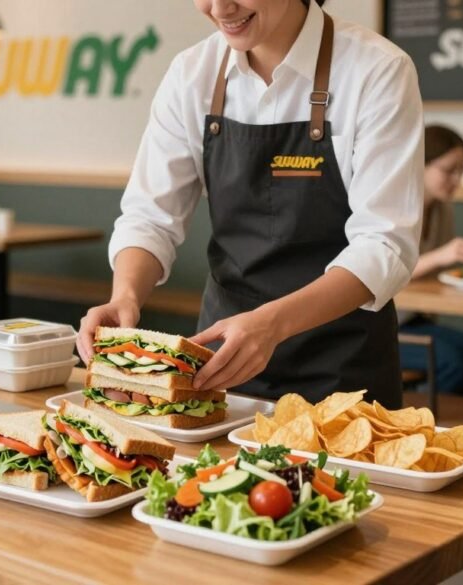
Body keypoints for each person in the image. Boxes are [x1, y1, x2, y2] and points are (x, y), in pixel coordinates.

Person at [77, 0, 423, 407]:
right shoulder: (192, 74)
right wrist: (126, 296)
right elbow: (149, 217)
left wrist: (272, 326)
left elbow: (384, 245)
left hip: (342, 375)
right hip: (220, 366)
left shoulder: (376, 70)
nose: (218, 7)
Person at [398, 125, 463, 395]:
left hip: (416, 319)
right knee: (456, 364)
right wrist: (442, 256)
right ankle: (431, 428)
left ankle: (460, 430)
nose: (457, 179)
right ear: (421, 164)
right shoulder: (397, 206)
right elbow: (387, 269)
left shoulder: (443, 210)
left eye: (461, 171)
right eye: (449, 170)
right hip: (384, 326)